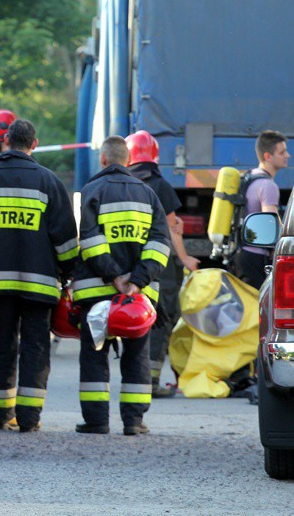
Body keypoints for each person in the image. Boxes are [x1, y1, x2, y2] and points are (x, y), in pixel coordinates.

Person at [0, 119, 78, 432]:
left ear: (6, 141)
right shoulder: (48, 182)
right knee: (35, 349)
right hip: (40, 285)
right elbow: (66, 240)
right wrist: (69, 274)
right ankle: (29, 419)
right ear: (34, 143)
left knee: (3, 346)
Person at [72, 136, 170, 435]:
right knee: (137, 354)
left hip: (96, 291)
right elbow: (160, 243)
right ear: (128, 161)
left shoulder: (92, 190)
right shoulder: (149, 194)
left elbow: (89, 239)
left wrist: (113, 275)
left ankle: (97, 421)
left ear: (103, 160)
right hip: (138, 296)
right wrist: (137, 281)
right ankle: (134, 422)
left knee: (94, 354)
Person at [125, 131, 200, 397]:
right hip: (158, 264)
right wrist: (185, 258)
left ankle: (131, 378)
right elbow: (172, 229)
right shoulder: (160, 185)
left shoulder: (121, 183)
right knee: (158, 318)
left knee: (128, 318)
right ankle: (151, 381)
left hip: (125, 264)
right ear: (154, 156)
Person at [232, 130, 288, 289]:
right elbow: (270, 224)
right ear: (268, 156)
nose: (287, 156)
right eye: (282, 152)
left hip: (241, 252)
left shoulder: (250, 176)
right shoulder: (268, 186)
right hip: (256, 257)